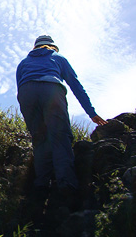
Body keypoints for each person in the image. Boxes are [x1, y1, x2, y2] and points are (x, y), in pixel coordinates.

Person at [16, 35, 107, 204]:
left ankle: (40, 188)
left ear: (36, 47)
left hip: (26, 92)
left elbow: (20, 88)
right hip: (51, 90)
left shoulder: (23, 63)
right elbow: (76, 86)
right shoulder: (58, 58)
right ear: (52, 47)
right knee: (60, 137)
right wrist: (91, 113)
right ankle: (67, 185)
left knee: (40, 140)